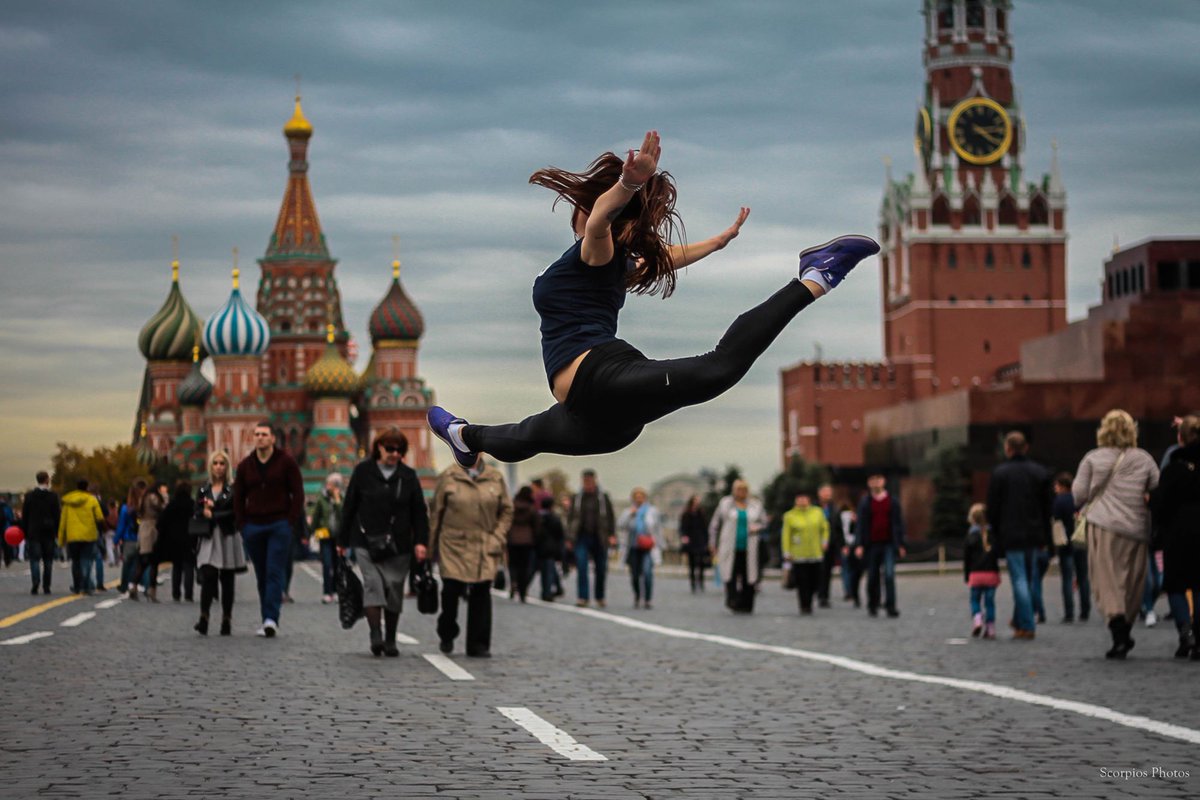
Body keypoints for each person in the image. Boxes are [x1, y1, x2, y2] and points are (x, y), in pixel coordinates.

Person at [426, 130, 879, 467]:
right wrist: (714, 244)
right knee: (525, 439)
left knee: (717, 368)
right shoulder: (611, 265)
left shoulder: (596, 250)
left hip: (602, 377)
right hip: (600, 418)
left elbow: (605, 223)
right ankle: (463, 436)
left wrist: (627, 185)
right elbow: (662, 260)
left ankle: (815, 276)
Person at [1073, 409, 1160, 659]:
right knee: (1132, 580)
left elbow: (1078, 495)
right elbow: (1156, 488)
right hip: (1136, 527)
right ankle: (1126, 623)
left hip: (1104, 526)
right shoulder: (1143, 459)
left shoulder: (1093, 458)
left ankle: (1118, 628)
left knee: (1106, 579)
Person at [339, 429, 430, 657]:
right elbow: (349, 506)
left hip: (398, 545)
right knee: (373, 585)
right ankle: (375, 634)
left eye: (399, 450)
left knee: (394, 591)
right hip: (365, 541)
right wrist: (342, 540)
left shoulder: (408, 476)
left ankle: (391, 638)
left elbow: (419, 511)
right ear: (378, 447)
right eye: (390, 449)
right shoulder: (363, 472)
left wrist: (421, 542)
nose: (394, 454)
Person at [430, 455, 513, 657]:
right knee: (451, 591)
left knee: (481, 592)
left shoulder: (495, 477)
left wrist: (498, 536)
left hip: (485, 543)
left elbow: (507, 510)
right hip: (453, 543)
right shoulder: (448, 476)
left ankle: (478, 644)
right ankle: (447, 631)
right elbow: (436, 513)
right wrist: (429, 547)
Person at [233, 421, 305, 638]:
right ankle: (267, 616)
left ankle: (271, 619)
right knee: (262, 574)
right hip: (253, 526)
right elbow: (238, 497)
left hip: (278, 524)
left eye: (264, 434)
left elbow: (298, 493)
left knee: (274, 571)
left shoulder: (286, 462)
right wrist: (242, 525)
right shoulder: (246, 465)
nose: (260, 438)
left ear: (273, 438)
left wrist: (289, 521)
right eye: (256, 434)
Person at [985, 432, 1052, 640]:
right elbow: (1047, 508)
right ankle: (1021, 621)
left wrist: (994, 533)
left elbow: (993, 509)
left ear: (1008, 449)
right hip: (1034, 534)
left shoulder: (1000, 474)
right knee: (1030, 579)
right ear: (1026, 448)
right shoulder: (1040, 473)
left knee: (1020, 579)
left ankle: (1028, 624)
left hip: (1011, 534)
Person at [1151, 415, 1200, 659]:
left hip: (1178, 532)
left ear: (1180, 438)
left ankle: (1186, 633)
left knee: (1176, 586)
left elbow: (1160, 505)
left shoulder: (1173, 468)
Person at [193, 450, 246, 636]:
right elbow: (196, 511)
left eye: (222, 463)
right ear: (210, 466)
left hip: (227, 536)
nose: (218, 467)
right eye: (215, 463)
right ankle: (204, 617)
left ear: (227, 467)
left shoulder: (233, 489)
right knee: (208, 577)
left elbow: (236, 512)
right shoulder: (203, 489)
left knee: (227, 579)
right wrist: (203, 512)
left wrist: (213, 514)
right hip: (208, 537)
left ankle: (226, 619)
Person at [855, 473, 907, 618]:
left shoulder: (892, 501)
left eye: (878, 480)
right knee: (872, 576)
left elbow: (899, 523)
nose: (876, 483)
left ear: (883, 481)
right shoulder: (865, 502)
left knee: (889, 575)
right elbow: (861, 525)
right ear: (869, 482)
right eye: (873, 480)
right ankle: (873, 604)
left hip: (889, 543)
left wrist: (901, 544)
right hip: (871, 544)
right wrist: (859, 544)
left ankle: (891, 605)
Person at [711, 479, 767, 613]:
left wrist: (757, 527)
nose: (741, 492)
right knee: (730, 574)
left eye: (744, 490)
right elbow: (715, 525)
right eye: (738, 489)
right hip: (730, 546)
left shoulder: (755, 505)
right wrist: (712, 543)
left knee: (749, 576)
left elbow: (764, 522)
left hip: (750, 547)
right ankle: (733, 600)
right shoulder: (725, 504)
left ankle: (747, 603)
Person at [566, 469, 615, 608]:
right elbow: (570, 519)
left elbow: (610, 518)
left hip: (600, 537)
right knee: (581, 566)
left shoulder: (603, 498)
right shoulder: (576, 498)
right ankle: (583, 597)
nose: (587, 483)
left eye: (589, 480)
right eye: (585, 481)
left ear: (595, 480)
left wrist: (612, 535)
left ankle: (600, 596)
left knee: (601, 568)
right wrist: (569, 538)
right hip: (581, 537)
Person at [781, 492, 830, 615]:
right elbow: (786, 534)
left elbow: (825, 528)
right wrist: (786, 551)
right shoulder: (790, 515)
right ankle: (804, 605)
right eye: (799, 499)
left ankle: (811, 596)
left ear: (809, 500)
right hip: (798, 553)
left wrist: (824, 541)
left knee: (815, 580)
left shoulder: (817, 512)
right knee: (802, 581)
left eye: (804, 498)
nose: (802, 501)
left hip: (815, 552)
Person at [1051, 472, 1089, 623]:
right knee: (1083, 577)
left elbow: (1056, 521)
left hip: (1065, 543)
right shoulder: (1078, 499)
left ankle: (1069, 613)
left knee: (1067, 579)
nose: (1055, 488)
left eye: (1056, 486)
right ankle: (1085, 611)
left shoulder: (1058, 501)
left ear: (1062, 486)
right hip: (1080, 541)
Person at [617, 487, 663, 609]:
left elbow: (657, 529)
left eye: (641, 497)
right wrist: (630, 516)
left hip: (648, 547)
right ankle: (637, 595)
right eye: (636, 497)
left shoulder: (652, 511)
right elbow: (621, 525)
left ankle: (648, 599)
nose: (639, 500)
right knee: (635, 575)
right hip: (633, 547)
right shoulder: (628, 511)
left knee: (647, 573)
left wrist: (659, 545)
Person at [57, 478, 104, 595]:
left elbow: (63, 521)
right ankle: (87, 586)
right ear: (87, 487)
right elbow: (100, 517)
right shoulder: (92, 500)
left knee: (76, 562)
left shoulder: (68, 501)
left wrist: (61, 538)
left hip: (72, 535)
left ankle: (77, 586)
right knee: (86, 560)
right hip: (89, 534)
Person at [963, 503, 1001, 640]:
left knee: (975, 600)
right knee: (990, 602)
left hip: (976, 574)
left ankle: (977, 618)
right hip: (991, 574)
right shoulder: (993, 535)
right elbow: (997, 555)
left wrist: (967, 576)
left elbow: (967, 559)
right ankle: (990, 628)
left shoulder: (970, 536)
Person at [20, 471, 60, 594]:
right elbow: (57, 515)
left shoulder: (29, 496)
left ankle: (35, 582)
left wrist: (25, 531)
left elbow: (25, 515)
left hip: (33, 531)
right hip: (48, 531)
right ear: (47, 480)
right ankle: (46, 586)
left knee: (34, 559)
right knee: (48, 560)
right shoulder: (53, 496)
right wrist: (57, 530)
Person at [158, 481, 196, 602]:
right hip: (189, 538)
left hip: (174, 539)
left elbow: (162, 521)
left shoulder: (172, 504)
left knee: (177, 567)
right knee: (189, 566)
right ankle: (188, 594)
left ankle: (176, 593)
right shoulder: (192, 504)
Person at [310, 472, 344, 604]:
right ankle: (326, 592)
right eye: (330, 484)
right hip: (325, 536)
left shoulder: (341, 498)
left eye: (334, 485)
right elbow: (316, 516)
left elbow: (343, 516)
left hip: (338, 537)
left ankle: (335, 591)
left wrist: (337, 502)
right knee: (327, 564)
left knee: (337, 565)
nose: (330, 487)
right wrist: (311, 533)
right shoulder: (321, 499)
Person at [506, 485, 540, 603]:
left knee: (513, 565)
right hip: (527, 540)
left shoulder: (512, 506)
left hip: (512, 539)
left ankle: (513, 582)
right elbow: (536, 525)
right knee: (524, 567)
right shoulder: (531, 508)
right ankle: (523, 591)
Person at [136, 482, 167, 602]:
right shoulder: (153, 498)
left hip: (143, 528)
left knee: (143, 560)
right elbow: (160, 508)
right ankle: (152, 591)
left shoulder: (142, 498)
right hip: (152, 528)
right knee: (153, 561)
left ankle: (134, 586)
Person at [115, 481, 146, 598]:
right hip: (142, 537)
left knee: (127, 564)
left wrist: (116, 539)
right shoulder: (144, 506)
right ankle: (142, 584)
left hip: (129, 539)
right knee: (141, 563)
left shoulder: (125, 508)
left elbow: (121, 525)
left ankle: (124, 585)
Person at [815, 484, 844, 609]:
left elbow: (839, 528)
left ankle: (824, 596)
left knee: (826, 572)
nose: (827, 495)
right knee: (816, 571)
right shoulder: (813, 508)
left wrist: (842, 545)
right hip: (814, 545)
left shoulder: (834, 509)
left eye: (829, 492)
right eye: (825, 492)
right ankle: (815, 592)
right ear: (819, 493)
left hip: (830, 545)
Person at [535, 495, 565, 601]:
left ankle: (521, 588)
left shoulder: (537, 517)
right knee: (548, 570)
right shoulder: (554, 518)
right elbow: (560, 535)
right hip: (550, 548)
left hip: (538, 547)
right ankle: (548, 592)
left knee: (545, 570)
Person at [678, 494, 710, 593]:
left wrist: (707, 541)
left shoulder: (701, 513)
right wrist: (684, 537)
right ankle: (693, 583)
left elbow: (705, 528)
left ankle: (701, 581)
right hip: (691, 541)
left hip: (700, 540)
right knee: (691, 563)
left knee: (701, 562)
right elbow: (682, 528)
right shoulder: (686, 514)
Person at [839, 503, 862, 607]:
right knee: (849, 570)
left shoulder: (853, 517)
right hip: (851, 546)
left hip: (849, 546)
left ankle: (849, 591)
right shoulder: (845, 517)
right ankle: (851, 591)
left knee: (847, 570)